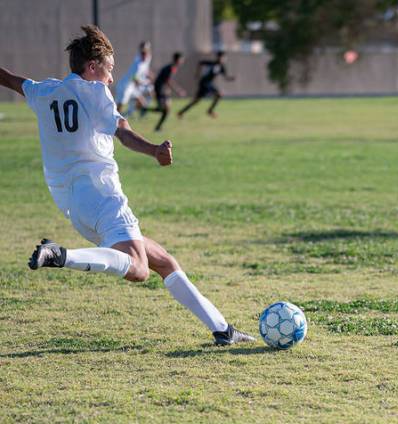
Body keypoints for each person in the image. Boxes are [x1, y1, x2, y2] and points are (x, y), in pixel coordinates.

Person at [0, 26, 254, 346]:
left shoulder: (44, 90)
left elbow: (8, 78)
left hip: (73, 205)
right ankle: (61, 255)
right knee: (139, 269)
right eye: (108, 69)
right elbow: (122, 130)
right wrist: (155, 151)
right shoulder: (94, 92)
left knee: (163, 261)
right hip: (101, 194)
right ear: (92, 67)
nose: (110, 78)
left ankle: (223, 330)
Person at [177, 51, 235, 119]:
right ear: (219, 57)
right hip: (204, 82)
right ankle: (210, 111)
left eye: (225, 58)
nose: (224, 59)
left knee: (196, 101)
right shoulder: (212, 63)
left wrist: (231, 78)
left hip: (208, 83)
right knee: (219, 94)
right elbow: (200, 63)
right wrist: (197, 73)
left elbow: (226, 77)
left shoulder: (222, 67)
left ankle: (181, 112)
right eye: (223, 57)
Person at [148, 52, 186, 132]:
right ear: (177, 60)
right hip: (159, 89)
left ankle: (157, 126)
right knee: (165, 110)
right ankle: (145, 110)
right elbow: (168, 81)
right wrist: (178, 90)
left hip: (161, 89)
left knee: (165, 110)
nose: (182, 61)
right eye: (181, 59)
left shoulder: (172, 67)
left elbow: (166, 80)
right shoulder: (171, 68)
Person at [115, 41, 153, 116]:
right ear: (141, 54)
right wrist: (144, 82)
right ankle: (115, 119)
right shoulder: (137, 64)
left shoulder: (147, 60)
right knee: (120, 105)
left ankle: (127, 115)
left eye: (146, 53)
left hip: (132, 86)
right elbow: (134, 78)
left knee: (142, 102)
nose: (145, 55)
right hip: (125, 86)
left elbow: (145, 71)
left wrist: (150, 77)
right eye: (143, 54)